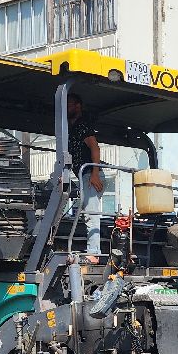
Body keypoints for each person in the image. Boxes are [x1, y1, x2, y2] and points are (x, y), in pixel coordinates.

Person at [67, 94, 104, 257]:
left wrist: (94, 173)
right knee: (86, 213)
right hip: (84, 175)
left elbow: (95, 148)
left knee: (91, 213)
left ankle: (94, 253)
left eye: (69, 104)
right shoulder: (71, 128)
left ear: (78, 106)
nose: (67, 107)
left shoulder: (82, 125)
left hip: (90, 174)